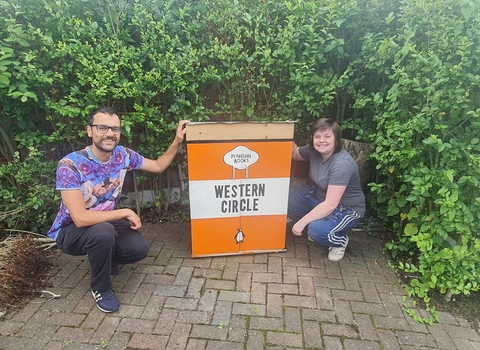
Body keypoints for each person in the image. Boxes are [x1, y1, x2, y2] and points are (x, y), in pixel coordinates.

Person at [47, 106, 188, 313]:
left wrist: (177, 140)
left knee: (138, 248)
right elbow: (80, 218)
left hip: (103, 224)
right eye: (102, 128)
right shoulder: (70, 165)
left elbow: (158, 165)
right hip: (70, 231)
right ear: (89, 130)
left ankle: (105, 258)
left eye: (115, 129)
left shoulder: (123, 155)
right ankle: (101, 288)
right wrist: (126, 212)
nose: (110, 134)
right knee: (102, 232)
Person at [288, 118, 365, 262]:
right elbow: (293, 152)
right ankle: (316, 222)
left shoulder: (342, 164)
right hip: (320, 198)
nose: (321, 140)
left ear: (336, 138)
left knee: (317, 231)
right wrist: (281, 134)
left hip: (346, 208)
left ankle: (339, 240)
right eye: (317, 136)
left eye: (327, 136)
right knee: (288, 197)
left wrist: (301, 222)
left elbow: (331, 204)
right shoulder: (313, 151)